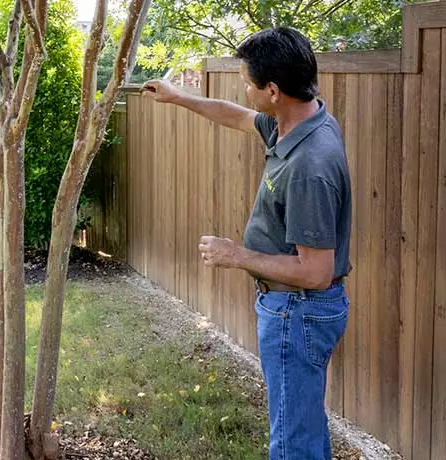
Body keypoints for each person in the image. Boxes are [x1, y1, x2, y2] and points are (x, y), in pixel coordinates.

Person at [141, 26, 352, 460]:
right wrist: (178, 96)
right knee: (303, 429)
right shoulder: (299, 121)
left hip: (298, 313)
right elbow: (236, 116)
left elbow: (316, 272)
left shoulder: (310, 164)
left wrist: (235, 255)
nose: (245, 89)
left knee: (293, 445)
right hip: (297, 311)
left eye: (249, 83)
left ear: (273, 90)